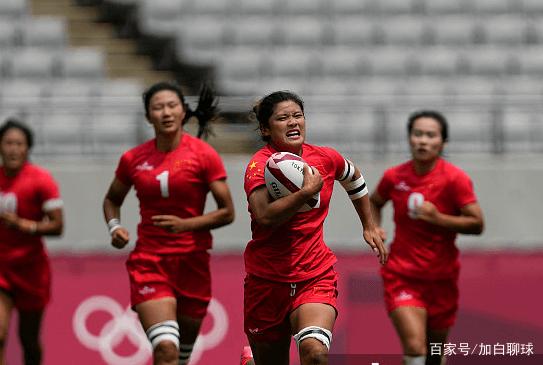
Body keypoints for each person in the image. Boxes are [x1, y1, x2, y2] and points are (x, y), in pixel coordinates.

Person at [240, 91, 388, 365]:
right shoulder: (258, 165)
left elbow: (353, 178)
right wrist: (304, 193)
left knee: (315, 354)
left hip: (314, 274)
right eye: (282, 118)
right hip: (266, 281)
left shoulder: (325, 158)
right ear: (265, 128)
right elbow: (264, 216)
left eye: (298, 116)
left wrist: (369, 226)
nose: (293, 123)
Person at [102, 82, 235, 365]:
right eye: (158, 107)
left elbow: (227, 212)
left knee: (181, 357)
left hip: (192, 263)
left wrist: (186, 225)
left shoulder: (203, 155)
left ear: (183, 112)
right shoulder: (133, 159)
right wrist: (115, 227)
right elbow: (111, 199)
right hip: (150, 262)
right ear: (148, 116)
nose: (166, 112)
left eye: (172, 105)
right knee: (166, 350)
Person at [369, 110, 484, 365]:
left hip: (441, 279)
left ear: (442, 142)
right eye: (417, 134)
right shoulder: (394, 177)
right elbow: (374, 202)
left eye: (430, 135)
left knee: (433, 354)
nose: (422, 140)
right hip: (402, 275)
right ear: (409, 139)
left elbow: (477, 224)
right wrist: (374, 228)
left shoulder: (455, 179)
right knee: (414, 346)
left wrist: (438, 218)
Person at [0, 119, 64, 365]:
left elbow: (58, 226)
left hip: (31, 270)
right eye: (8, 143)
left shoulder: (41, 180)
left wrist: (24, 225)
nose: (13, 149)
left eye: (19, 144)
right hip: (2, 269)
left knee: (28, 340)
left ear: (28, 148)